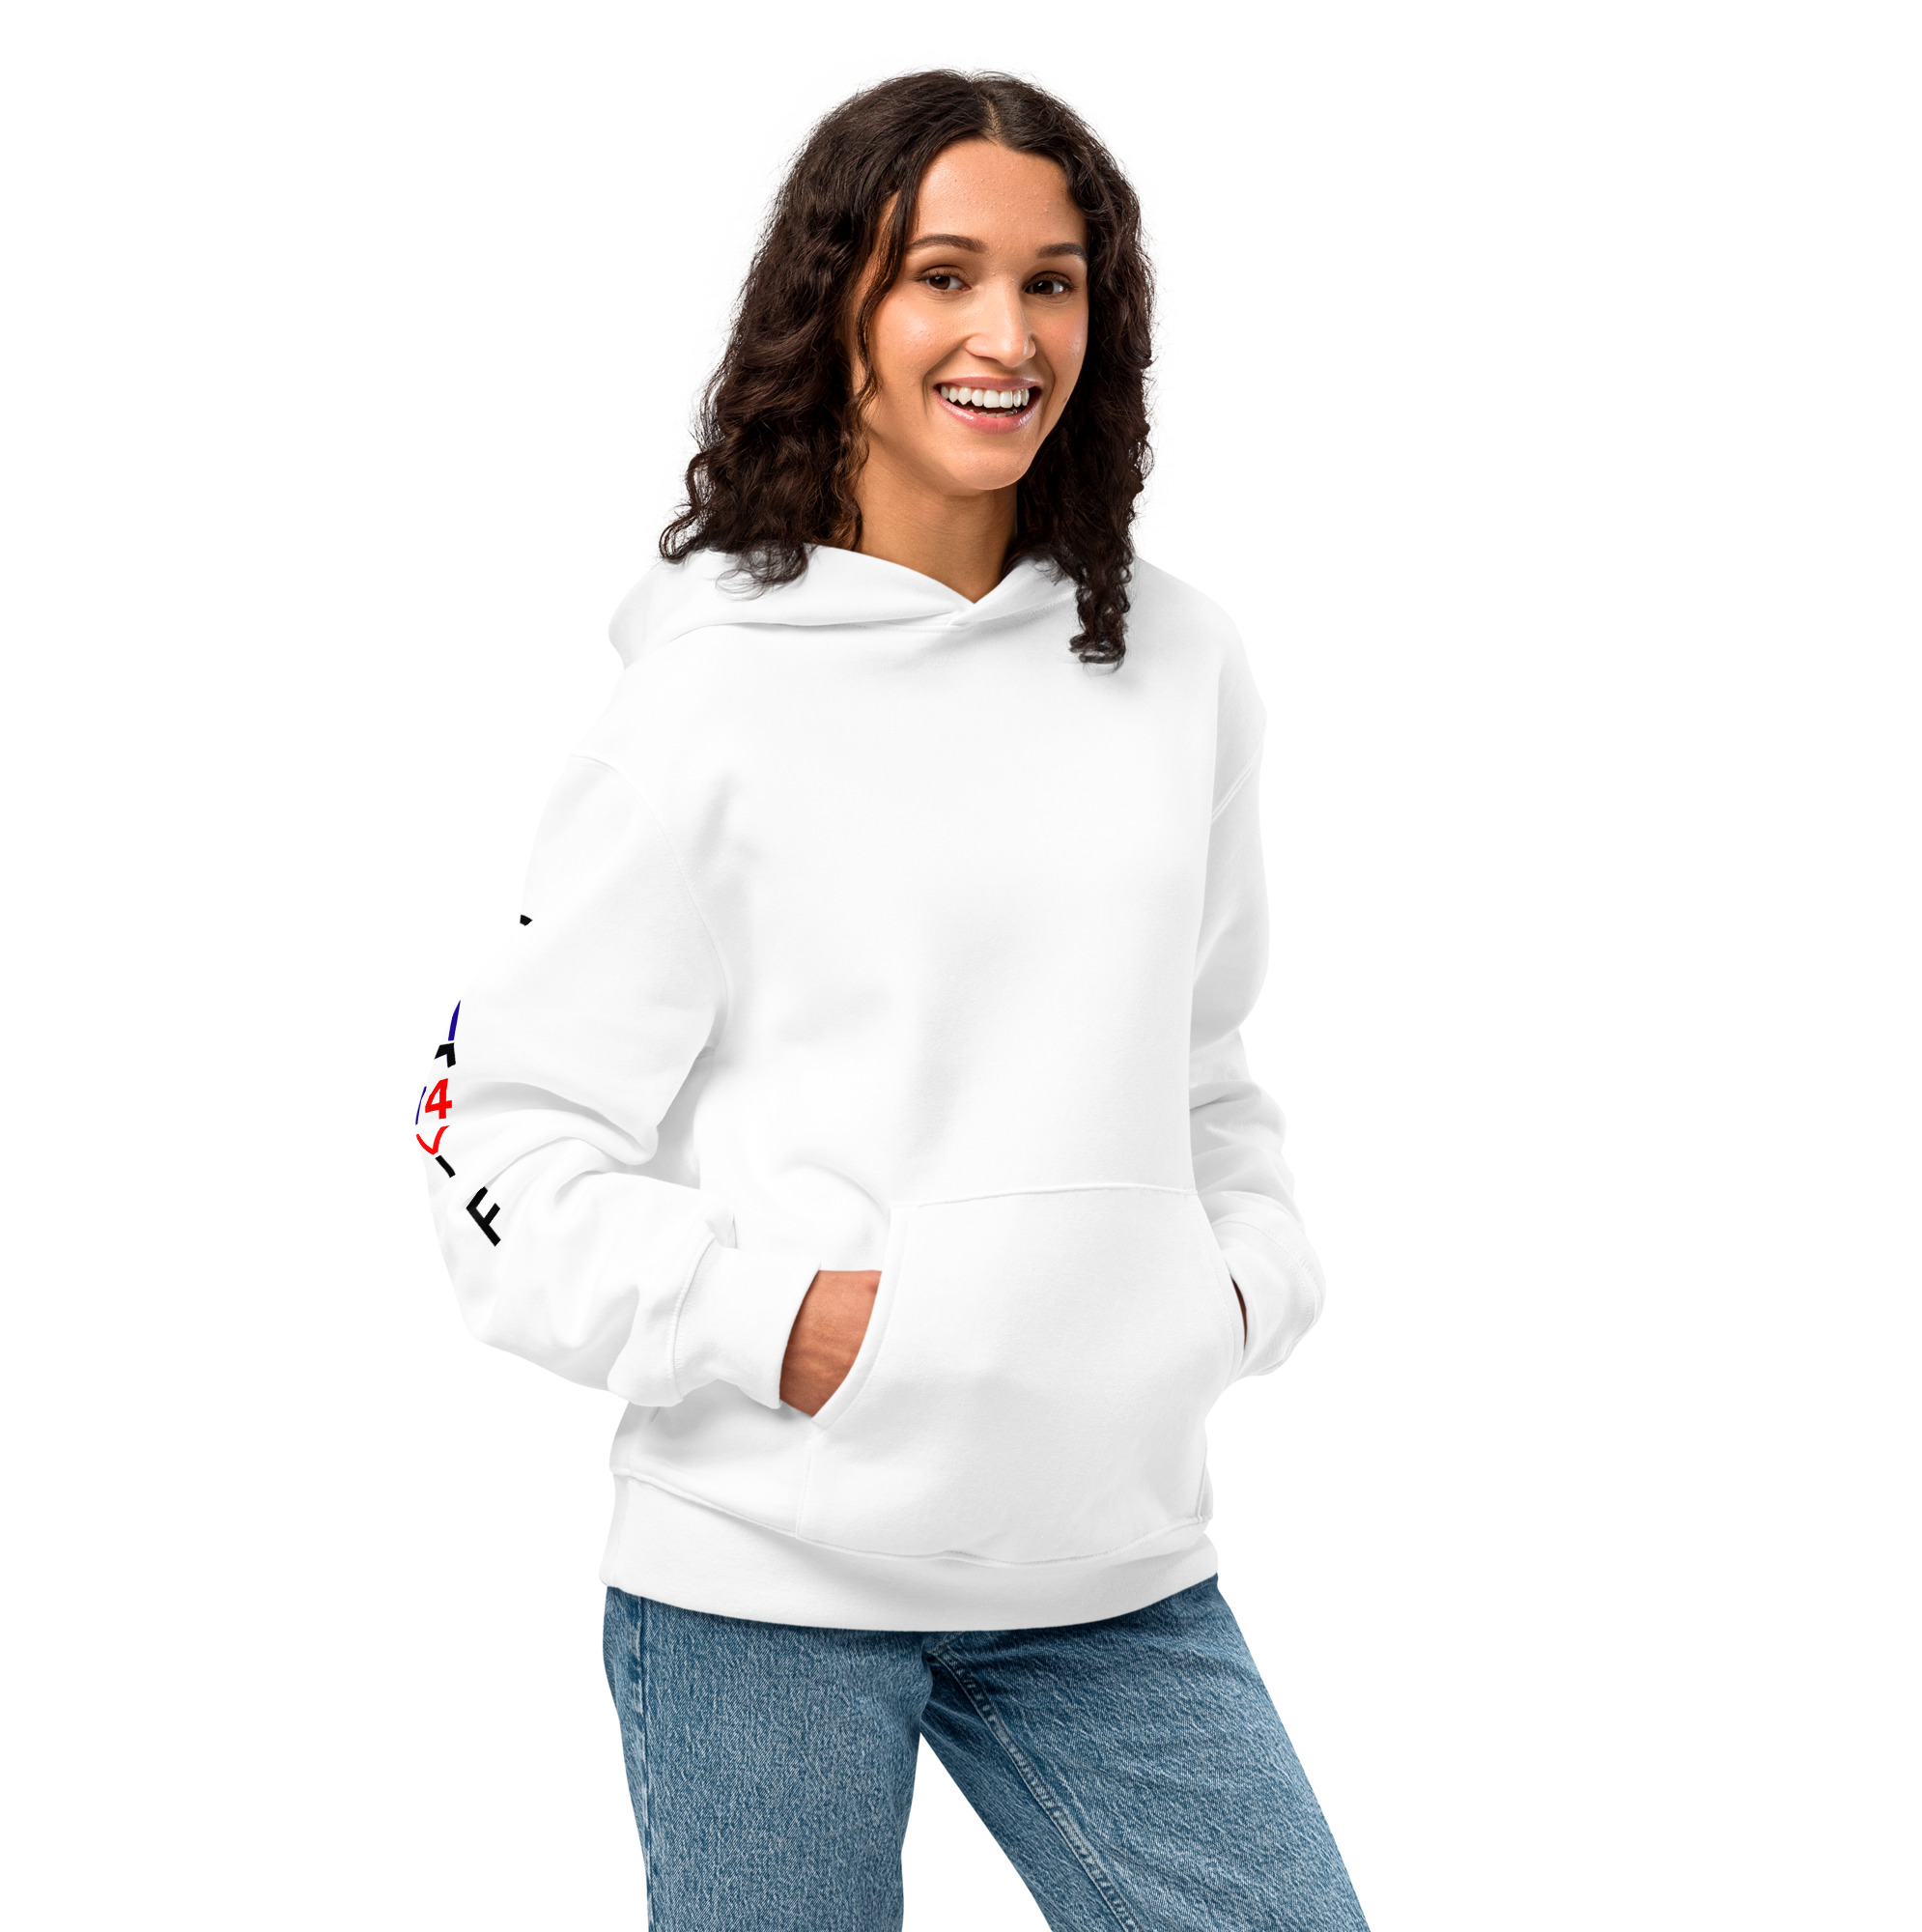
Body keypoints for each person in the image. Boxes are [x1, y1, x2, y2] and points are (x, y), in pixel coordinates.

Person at [417, 67, 1370, 1932]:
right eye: (944, 276)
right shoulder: (701, 705)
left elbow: (1202, 1063)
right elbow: (490, 1136)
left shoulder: (1180, 666)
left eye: (1053, 282)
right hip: (766, 1578)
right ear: (837, 305)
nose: (1006, 335)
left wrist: (1232, 1287)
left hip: (1110, 1568)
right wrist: (785, 1324)